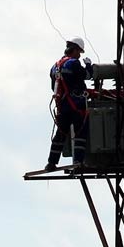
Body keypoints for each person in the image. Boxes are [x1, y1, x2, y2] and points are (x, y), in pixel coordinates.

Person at [45, 37, 93, 172]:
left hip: (62, 107)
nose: (79, 55)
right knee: (80, 133)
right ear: (75, 50)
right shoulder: (74, 63)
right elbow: (88, 75)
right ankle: (78, 162)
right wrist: (88, 65)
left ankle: (51, 163)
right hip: (76, 106)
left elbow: (53, 87)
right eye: (79, 52)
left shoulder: (55, 66)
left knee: (60, 135)